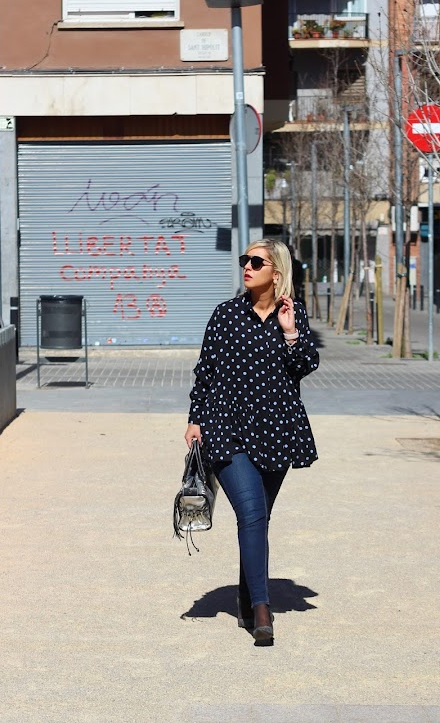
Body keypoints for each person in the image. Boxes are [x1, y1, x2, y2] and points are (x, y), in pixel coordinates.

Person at [184, 239, 319, 646]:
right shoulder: (225, 314)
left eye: (256, 261)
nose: (246, 266)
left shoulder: (292, 314)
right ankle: (262, 608)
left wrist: (291, 333)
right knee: (252, 513)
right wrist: (195, 418)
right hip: (227, 428)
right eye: (245, 260)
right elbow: (206, 371)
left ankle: (245, 596)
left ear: (276, 273)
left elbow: (305, 365)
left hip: (277, 430)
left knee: (256, 519)